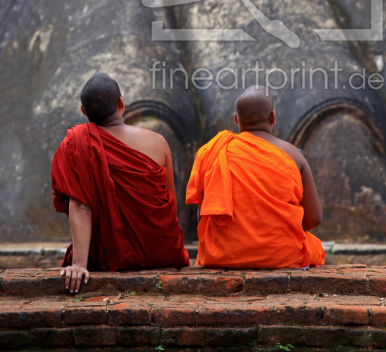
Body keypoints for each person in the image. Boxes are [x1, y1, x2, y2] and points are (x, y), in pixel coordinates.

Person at [51, 73, 189, 294]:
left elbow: (80, 205)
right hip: (161, 251)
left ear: (83, 111)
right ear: (121, 103)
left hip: (107, 254)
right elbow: (170, 200)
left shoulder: (75, 144)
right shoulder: (158, 142)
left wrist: (79, 264)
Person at [186, 84, 325, 268]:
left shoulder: (211, 152)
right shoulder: (293, 154)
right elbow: (314, 219)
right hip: (279, 253)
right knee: (314, 248)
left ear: (236, 120)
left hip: (223, 255)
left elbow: (203, 213)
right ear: (273, 117)